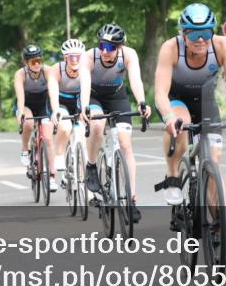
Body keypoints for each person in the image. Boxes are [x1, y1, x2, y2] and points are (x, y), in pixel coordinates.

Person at [153, 3, 226, 207]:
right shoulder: (171, 48)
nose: (200, 40)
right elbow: (160, 93)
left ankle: (217, 223)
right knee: (182, 122)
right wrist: (168, 117)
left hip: (205, 102)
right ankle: (172, 175)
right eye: (194, 34)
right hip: (176, 100)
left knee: (214, 160)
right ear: (183, 33)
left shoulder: (222, 46)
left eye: (205, 33)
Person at [78, 23, 152, 222]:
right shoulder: (89, 57)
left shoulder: (129, 54)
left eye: (110, 47)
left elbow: (135, 80)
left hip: (117, 97)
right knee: (97, 125)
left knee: (126, 145)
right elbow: (85, 83)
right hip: (94, 97)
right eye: (102, 45)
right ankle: (91, 166)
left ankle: (131, 199)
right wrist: (84, 107)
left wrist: (142, 102)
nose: (104, 51)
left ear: (120, 47)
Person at [14, 44, 63, 192]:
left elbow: (53, 93)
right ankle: (25, 149)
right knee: (28, 123)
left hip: (43, 104)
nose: (36, 64)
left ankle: (52, 177)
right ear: (26, 63)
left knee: (48, 138)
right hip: (27, 104)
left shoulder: (48, 71)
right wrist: (21, 113)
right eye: (32, 62)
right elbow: (20, 97)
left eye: (39, 60)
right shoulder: (20, 74)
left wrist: (55, 111)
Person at [48, 38, 85, 184]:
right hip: (61, 102)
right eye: (71, 57)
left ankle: (81, 178)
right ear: (65, 58)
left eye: (78, 56)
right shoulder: (56, 69)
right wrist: (55, 110)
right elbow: (53, 92)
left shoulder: (87, 69)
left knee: (81, 135)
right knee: (65, 127)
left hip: (79, 101)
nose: (75, 60)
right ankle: (59, 155)